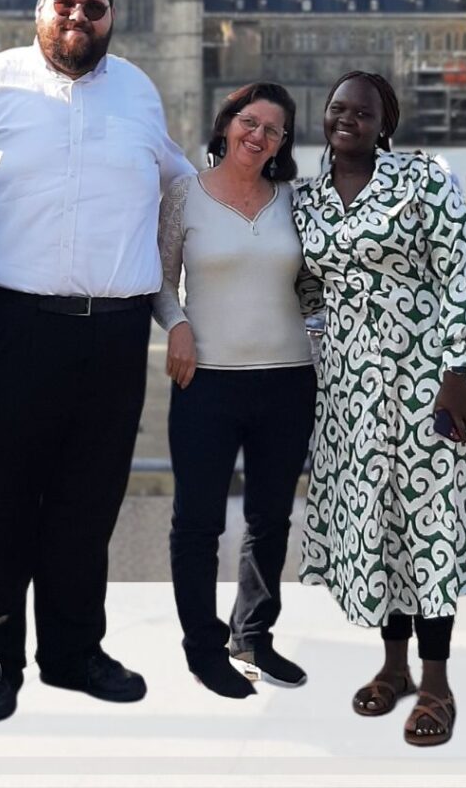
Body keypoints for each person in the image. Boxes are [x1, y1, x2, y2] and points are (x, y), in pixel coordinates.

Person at [0, 0, 193, 724]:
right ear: (41, 8)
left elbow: (181, 186)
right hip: (10, 323)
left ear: (111, 18)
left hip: (116, 333)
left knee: (87, 502)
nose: (79, 19)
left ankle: (71, 649)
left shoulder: (137, 90)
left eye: (93, 9)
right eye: (66, 5)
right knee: (1, 500)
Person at [292, 71, 466, 747]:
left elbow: (458, 274)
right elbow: (308, 288)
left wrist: (458, 371)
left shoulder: (423, 178)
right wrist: (321, 352)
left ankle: (438, 682)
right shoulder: (307, 201)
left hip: (429, 377)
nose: (346, 119)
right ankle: (391, 667)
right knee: (381, 525)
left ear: (383, 122)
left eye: (361, 112)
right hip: (353, 391)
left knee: (428, 523)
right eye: (337, 109)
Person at [153, 82, 316, 698]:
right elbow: (161, 281)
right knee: (196, 523)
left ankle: (253, 635)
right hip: (207, 382)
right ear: (226, 126)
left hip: (288, 381)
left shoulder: (296, 201)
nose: (259, 135)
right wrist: (179, 326)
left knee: (270, 519)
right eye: (251, 122)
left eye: (273, 130)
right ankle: (203, 647)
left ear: (281, 143)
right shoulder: (184, 195)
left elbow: (317, 285)